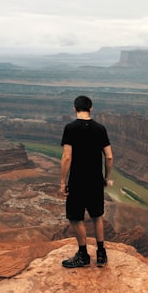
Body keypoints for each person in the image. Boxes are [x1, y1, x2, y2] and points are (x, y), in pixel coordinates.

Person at [59, 95, 114, 268]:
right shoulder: (100, 128)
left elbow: (67, 157)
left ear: (75, 109)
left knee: (76, 218)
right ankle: (101, 254)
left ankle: (83, 255)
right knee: (97, 216)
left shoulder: (70, 128)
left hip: (77, 181)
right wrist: (106, 178)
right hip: (95, 181)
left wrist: (62, 182)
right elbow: (110, 157)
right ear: (91, 108)